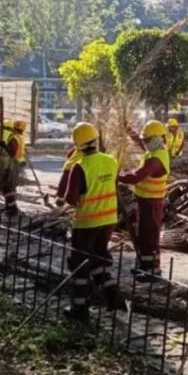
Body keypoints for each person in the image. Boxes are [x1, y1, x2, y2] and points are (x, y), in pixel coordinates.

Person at [62, 122, 124, 323]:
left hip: (87, 222)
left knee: (79, 264)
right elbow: (113, 186)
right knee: (99, 257)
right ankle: (114, 297)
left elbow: (70, 198)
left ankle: (79, 308)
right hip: (108, 220)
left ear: (78, 145)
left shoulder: (79, 166)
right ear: (96, 140)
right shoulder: (111, 161)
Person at [119, 120, 169, 280]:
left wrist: (117, 176)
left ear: (156, 139)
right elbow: (140, 142)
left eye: (147, 140)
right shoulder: (155, 151)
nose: (145, 143)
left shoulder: (156, 160)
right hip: (146, 201)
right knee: (144, 235)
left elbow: (136, 177)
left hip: (152, 203)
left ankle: (152, 271)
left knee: (149, 236)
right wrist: (128, 129)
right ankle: (145, 266)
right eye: (145, 139)